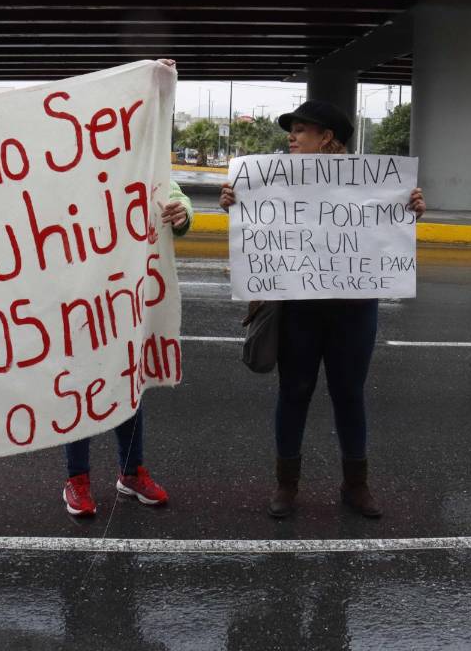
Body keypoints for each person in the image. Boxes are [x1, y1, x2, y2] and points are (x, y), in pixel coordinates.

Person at [219, 100, 426, 519]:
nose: (291, 138)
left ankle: (356, 485)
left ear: (327, 137)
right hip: (299, 309)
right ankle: (286, 486)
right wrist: (236, 203)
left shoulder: (372, 183)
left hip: (354, 310)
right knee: (294, 392)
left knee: (349, 395)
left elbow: (383, 231)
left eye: (300, 130)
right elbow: (262, 224)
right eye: (290, 131)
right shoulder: (271, 178)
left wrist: (411, 208)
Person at [61, 58, 191, 518]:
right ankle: (76, 479)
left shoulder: (143, 163)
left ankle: (130, 471)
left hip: (127, 300)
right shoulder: (67, 165)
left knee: (129, 387)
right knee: (82, 384)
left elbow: (172, 194)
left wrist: (181, 212)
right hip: (78, 299)